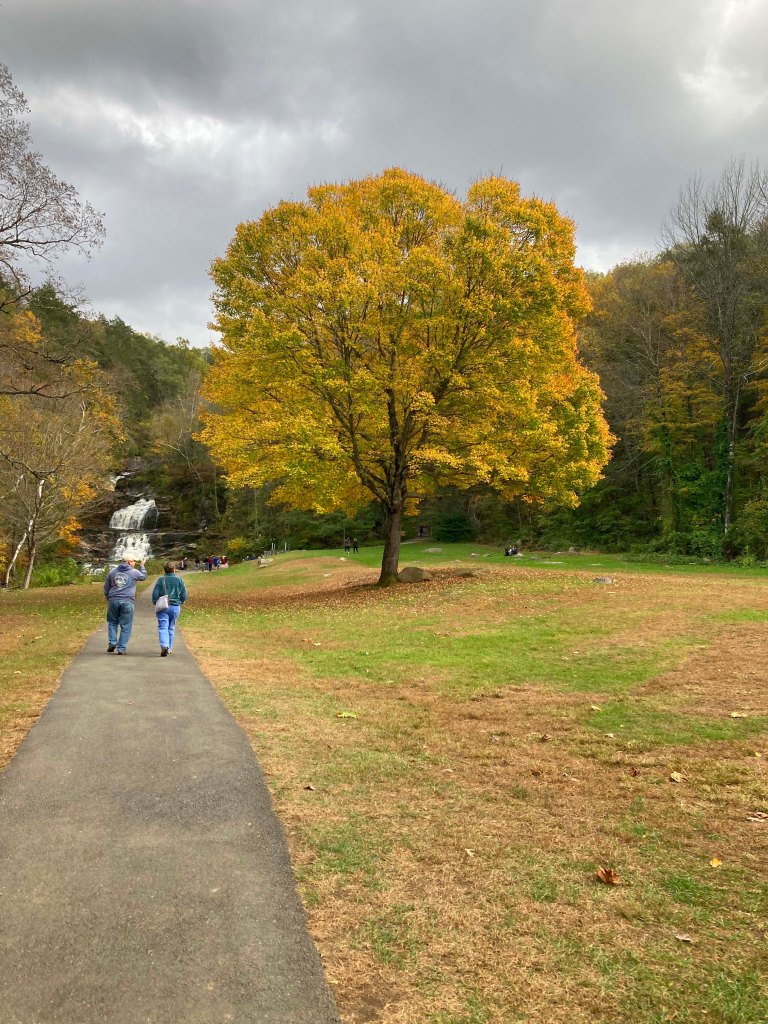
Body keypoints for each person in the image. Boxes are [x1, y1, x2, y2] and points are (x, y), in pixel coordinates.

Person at [103, 557, 148, 654]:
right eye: (133, 561)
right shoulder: (134, 572)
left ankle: (112, 642)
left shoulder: (112, 572)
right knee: (126, 625)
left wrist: (109, 598)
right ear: (129, 562)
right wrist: (142, 566)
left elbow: (106, 587)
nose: (135, 562)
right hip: (127, 601)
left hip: (113, 600)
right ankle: (121, 648)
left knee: (112, 622)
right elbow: (143, 577)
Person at [152, 561, 188, 657]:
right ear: (174, 569)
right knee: (171, 627)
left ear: (164, 570)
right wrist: (181, 601)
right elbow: (184, 594)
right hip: (175, 606)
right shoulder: (179, 580)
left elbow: (155, 593)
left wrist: (155, 602)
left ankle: (164, 645)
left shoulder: (161, 580)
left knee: (163, 626)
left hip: (163, 606)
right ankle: (169, 648)